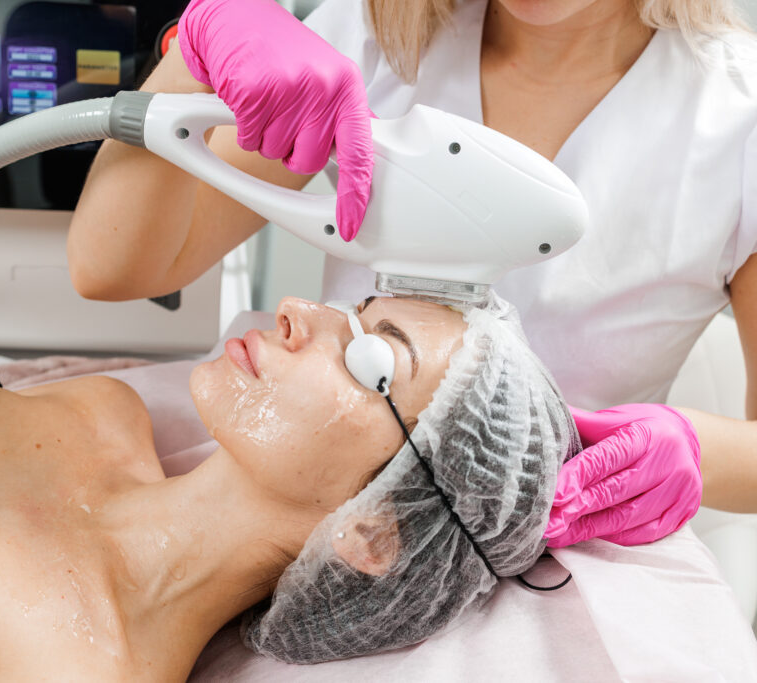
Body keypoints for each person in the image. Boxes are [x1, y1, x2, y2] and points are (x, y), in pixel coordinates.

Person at [68, 0, 756, 547]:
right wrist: (200, 44)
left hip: (551, 545)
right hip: (308, 508)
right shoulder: (376, 38)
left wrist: (701, 449)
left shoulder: (738, 123)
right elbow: (112, 265)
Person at [0, 294, 577, 679]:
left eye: (372, 357)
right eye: (352, 307)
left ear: (375, 533)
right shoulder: (100, 409)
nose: (295, 310)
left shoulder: (73, 672)